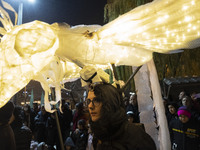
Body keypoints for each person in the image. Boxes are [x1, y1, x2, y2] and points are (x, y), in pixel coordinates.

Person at [86, 82, 156, 150]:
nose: (90, 106)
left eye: (97, 100)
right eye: (89, 101)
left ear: (110, 103)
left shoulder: (136, 137)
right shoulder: (98, 135)